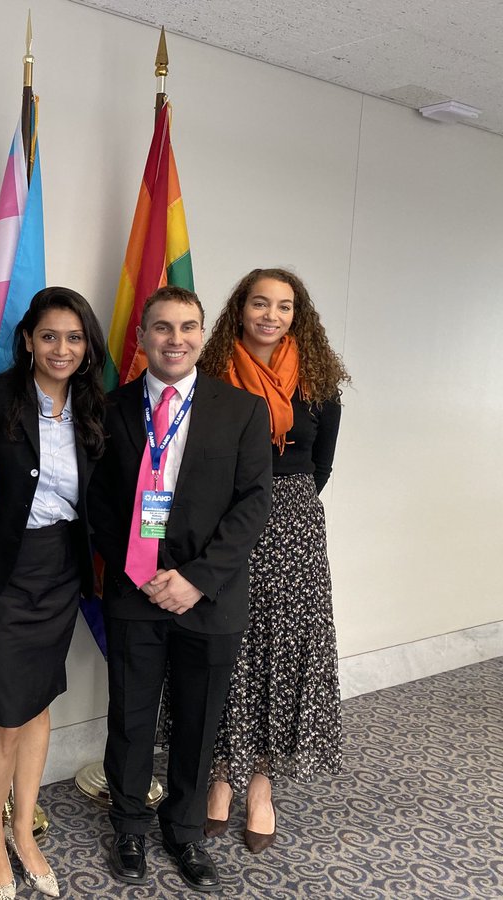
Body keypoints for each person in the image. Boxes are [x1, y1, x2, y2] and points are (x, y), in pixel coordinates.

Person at [88, 286, 272, 893]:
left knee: (199, 722)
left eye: (188, 327)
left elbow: (252, 507)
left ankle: (185, 830)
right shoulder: (109, 410)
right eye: (162, 328)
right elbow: (100, 507)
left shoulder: (242, 410)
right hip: (134, 595)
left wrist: (194, 579)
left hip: (209, 598)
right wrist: (141, 573)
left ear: (203, 335)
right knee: (131, 719)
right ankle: (131, 826)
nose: (176, 340)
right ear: (141, 338)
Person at [198, 268, 350, 852]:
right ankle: (219, 778)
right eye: (259, 303)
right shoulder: (209, 376)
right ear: (240, 309)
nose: (270, 315)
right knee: (227, 647)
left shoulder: (319, 384)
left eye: (283, 307)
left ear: (297, 316)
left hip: (293, 531)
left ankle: (259, 784)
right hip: (223, 521)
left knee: (282, 651)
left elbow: (321, 467)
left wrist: (285, 506)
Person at [0, 287, 109, 900]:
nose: (62, 348)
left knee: (41, 702)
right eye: (49, 336)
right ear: (27, 339)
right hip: (2, 572)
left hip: (61, 570)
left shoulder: (96, 407)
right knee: (5, 713)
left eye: (74, 338)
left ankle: (25, 830)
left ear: (87, 346)